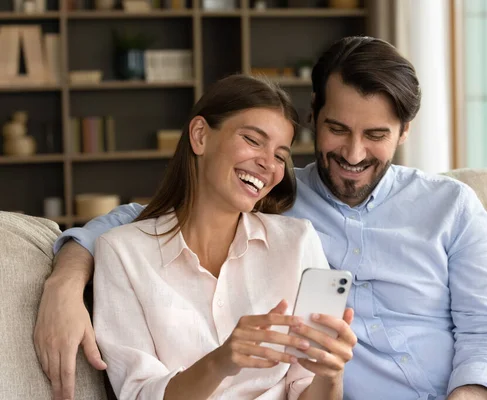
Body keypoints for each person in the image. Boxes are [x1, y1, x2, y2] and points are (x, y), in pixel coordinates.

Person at [35, 36, 487, 400]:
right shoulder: (276, 196)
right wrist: (67, 275)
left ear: (405, 131)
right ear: (313, 117)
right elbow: (147, 220)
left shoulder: (453, 205)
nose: (353, 154)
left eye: (376, 135)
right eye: (337, 129)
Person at [40, 74, 357, 400]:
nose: (267, 164)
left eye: (280, 155)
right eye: (253, 140)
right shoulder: (122, 253)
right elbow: (140, 394)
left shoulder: (297, 242)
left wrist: (330, 372)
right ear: (200, 136)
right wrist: (221, 361)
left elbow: (308, 391)